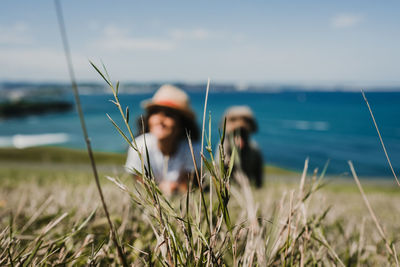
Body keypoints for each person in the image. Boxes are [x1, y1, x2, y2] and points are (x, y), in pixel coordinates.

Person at [125, 84, 200, 195]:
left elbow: (189, 187)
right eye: (155, 112)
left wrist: (175, 189)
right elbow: (140, 186)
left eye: (169, 114)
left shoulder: (192, 149)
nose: (160, 119)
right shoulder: (139, 146)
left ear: (182, 124)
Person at [219, 106, 263, 187]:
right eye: (233, 120)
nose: (240, 124)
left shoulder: (254, 149)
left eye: (245, 120)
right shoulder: (222, 148)